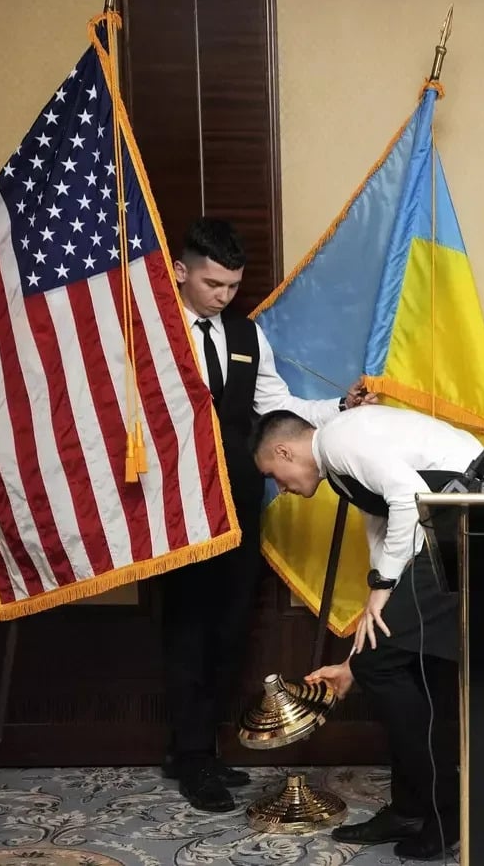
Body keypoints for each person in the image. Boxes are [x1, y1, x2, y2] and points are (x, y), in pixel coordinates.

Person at [160, 217, 375, 812]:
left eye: (232, 286)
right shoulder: (152, 332)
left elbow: (278, 408)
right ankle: (191, 756)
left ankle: (202, 748)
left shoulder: (246, 335)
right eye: (212, 284)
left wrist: (338, 407)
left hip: (238, 501)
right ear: (180, 272)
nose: (223, 296)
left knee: (229, 627)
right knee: (187, 629)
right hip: (176, 507)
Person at [252, 404, 484, 860]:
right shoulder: (338, 471)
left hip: (475, 519)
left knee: (382, 665)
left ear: (284, 451)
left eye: (274, 474)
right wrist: (355, 656)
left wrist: (382, 590)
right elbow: (389, 538)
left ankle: (446, 810)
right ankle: (411, 809)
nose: (281, 487)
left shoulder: (339, 440)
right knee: (397, 663)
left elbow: (407, 496)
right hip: (449, 528)